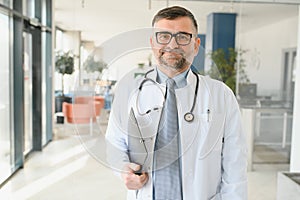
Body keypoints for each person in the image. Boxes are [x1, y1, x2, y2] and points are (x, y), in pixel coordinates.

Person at [105, 6, 247, 200]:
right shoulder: (130, 93)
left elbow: (235, 161)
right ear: (152, 43)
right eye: (163, 36)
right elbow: (115, 144)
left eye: (182, 37)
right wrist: (124, 171)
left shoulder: (221, 95)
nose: (172, 45)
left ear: (196, 45)